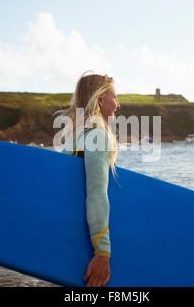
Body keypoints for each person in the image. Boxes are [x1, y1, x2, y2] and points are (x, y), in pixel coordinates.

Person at [57, 71, 120, 287]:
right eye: (114, 97)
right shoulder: (97, 136)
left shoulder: (73, 138)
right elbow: (96, 194)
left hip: (65, 238)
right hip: (87, 247)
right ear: (101, 100)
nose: (117, 105)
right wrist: (102, 252)